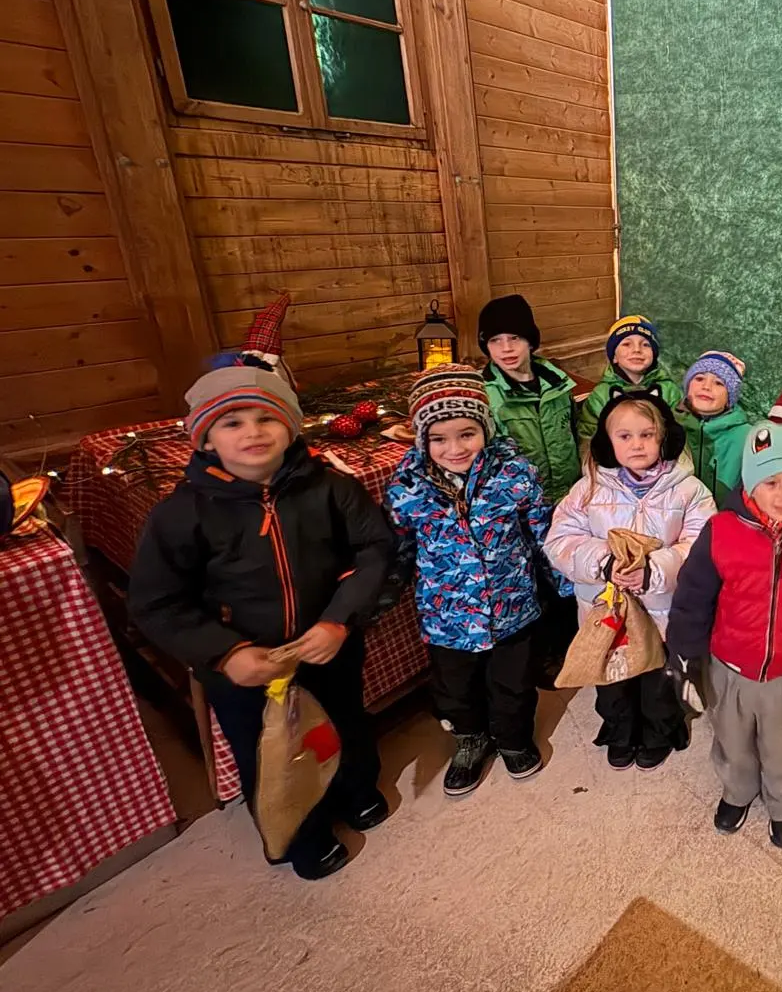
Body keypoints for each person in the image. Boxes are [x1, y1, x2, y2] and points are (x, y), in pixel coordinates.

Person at [129, 364, 396, 880]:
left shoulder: (331, 489)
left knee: (343, 726)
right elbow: (158, 602)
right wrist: (224, 653)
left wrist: (339, 619)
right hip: (247, 669)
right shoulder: (180, 515)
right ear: (205, 438)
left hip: (326, 645)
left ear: (291, 428)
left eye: (265, 419)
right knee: (271, 754)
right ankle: (300, 833)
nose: (252, 432)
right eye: (232, 423)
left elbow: (374, 549)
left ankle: (356, 791)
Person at [666, 423, 782, 848]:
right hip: (729, 668)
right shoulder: (720, 532)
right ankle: (737, 792)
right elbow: (693, 598)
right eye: (771, 482)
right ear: (751, 483)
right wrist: (682, 657)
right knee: (732, 741)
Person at [386, 365, 552, 797]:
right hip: (447, 616)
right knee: (454, 689)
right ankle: (471, 739)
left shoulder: (513, 473)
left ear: (486, 428)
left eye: (467, 434)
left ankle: (514, 738)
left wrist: (568, 583)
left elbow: (542, 531)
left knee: (513, 684)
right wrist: (382, 589)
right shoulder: (407, 486)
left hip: (511, 607)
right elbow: (399, 546)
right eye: (439, 438)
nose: (455, 448)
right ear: (422, 439)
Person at [545, 388, 715, 769]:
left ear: (664, 438)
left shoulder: (690, 491)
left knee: (658, 678)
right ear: (607, 443)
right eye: (624, 436)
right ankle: (620, 729)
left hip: (661, 610)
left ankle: (660, 730)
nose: (636, 444)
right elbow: (560, 540)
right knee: (611, 680)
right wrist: (604, 563)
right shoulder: (587, 488)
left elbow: (700, 545)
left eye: (646, 434)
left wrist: (654, 569)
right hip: (605, 612)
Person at [478, 294, 581, 499]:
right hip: (524, 504)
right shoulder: (485, 396)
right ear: (486, 346)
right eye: (495, 340)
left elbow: (575, 432)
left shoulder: (557, 383)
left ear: (530, 342)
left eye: (514, 337)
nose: (506, 348)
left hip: (571, 496)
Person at [576, 315, 683, 448]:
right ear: (614, 357)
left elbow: (681, 430)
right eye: (627, 344)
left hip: (662, 464)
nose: (637, 350)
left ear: (654, 355)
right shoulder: (601, 394)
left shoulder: (669, 390)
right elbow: (588, 434)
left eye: (645, 344)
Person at [676, 350, 753, 502]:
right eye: (699, 379)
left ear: (730, 398)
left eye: (719, 383)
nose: (706, 386)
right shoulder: (667, 426)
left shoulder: (746, 437)